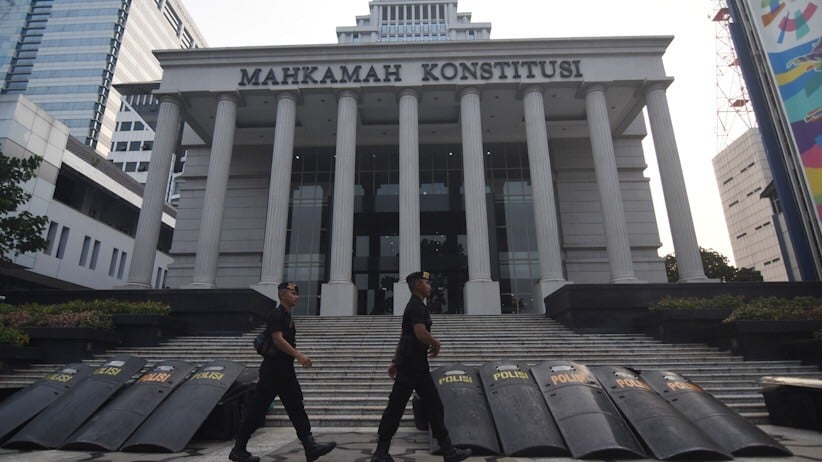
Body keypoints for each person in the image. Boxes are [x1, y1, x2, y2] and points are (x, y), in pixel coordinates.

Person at [371, 271, 472, 462]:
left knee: (422, 406)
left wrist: (395, 361)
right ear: (417, 285)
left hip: (413, 365)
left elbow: (403, 337)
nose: (430, 286)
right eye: (426, 282)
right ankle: (381, 452)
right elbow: (419, 333)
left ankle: (447, 451)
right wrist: (436, 342)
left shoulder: (414, 307)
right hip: (413, 366)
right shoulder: (416, 307)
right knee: (411, 407)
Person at [230, 282, 336, 462]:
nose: (297, 296)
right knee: (257, 411)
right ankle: (238, 449)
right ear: (283, 295)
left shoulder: (287, 316)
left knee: (296, 407)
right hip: (272, 371)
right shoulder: (276, 314)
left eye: (296, 293)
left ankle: (310, 447)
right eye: (293, 293)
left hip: (285, 371)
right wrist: (299, 355)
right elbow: (277, 340)